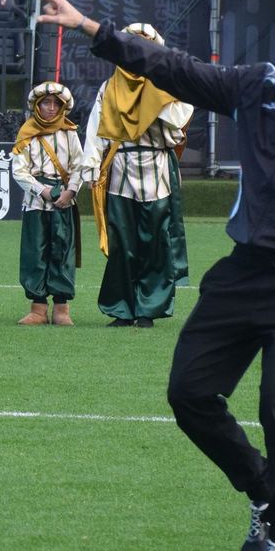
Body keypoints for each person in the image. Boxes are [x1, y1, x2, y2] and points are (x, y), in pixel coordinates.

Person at [31, 0, 275, 551]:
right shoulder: (254, 85)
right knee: (189, 395)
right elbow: (175, 69)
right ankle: (265, 491)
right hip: (246, 268)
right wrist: (93, 29)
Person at [79, 23, 193, 328]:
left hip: (157, 168)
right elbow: (95, 129)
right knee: (122, 242)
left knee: (155, 242)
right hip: (121, 169)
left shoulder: (166, 84)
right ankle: (122, 308)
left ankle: (149, 309)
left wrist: (152, 94)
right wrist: (90, 166)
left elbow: (179, 117)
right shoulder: (110, 87)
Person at [9, 81, 86, 325]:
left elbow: (79, 166)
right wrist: (41, 190)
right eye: (46, 103)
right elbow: (19, 171)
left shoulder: (70, 133)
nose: (51, 108)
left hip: (64, 199)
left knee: (62, 251)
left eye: (55, 103)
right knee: (35, 252)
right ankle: (38, 308)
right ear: (37, 106)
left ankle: (62, 308)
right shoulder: (26, 133)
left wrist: (71, 191)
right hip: (35, 202)